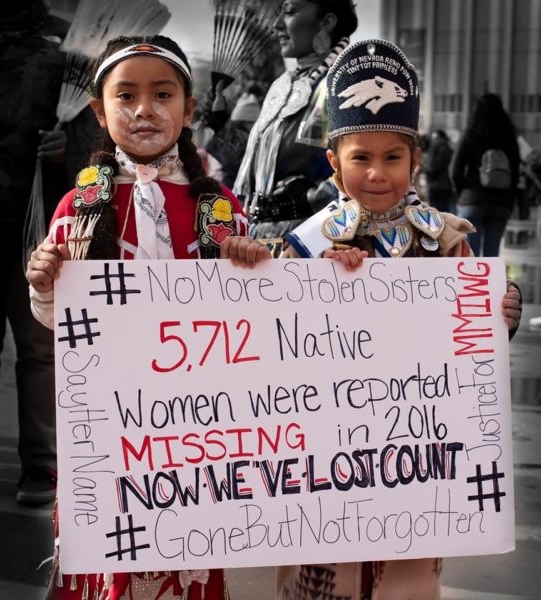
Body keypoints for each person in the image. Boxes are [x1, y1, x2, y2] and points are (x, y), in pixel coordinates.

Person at [222, 38, 522, 600]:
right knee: (318, 575)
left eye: (393, 158)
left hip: (415, 460)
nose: (378, 173)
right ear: (335, 164)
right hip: (322, 461)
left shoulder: (445, 240)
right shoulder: (307, 243)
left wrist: (498, 314)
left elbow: (470, 343)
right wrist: (298, 279)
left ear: (416, 161)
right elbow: (272, 341)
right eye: (361, 157)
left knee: (405, 581)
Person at [25, 34, 260, 600]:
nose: (144, 110)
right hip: (107, 428)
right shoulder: (78, 207)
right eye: (125, 96)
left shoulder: (221, 210)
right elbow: (61, 322)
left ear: (189, 109)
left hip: (197, 430)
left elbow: (254, 325)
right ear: (99, 112)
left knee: (188, 551)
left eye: (162, 94)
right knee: (105, 559)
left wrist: (256, 265)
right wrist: (44, 283)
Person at [0, 0, 65, 505]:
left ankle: (42, 465)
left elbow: (91, 138)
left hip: (33, 223)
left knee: (38, 348)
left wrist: (67, 145)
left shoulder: (63, 56)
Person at [232, 0, 358, 243]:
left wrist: (311, 198)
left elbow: (363, 169)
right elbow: (257, 173)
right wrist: (219, 125)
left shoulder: (343, 85)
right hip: (261, 239)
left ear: (327, 22)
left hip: (312, 241)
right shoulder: (283, 85)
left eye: (289, 12)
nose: (277, 25)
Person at [450, 92, 521, 256]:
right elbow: (516, 170)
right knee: (492, 254)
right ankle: (491, 281)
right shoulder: (509, 136)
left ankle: (472, 280)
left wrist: (461, 193)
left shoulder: (470, 134)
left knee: (471, 255)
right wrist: (511, 197)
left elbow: (455, 170)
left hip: (472, 200)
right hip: (501, 203)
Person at [424, 129, 456, 213]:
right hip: (445, 186)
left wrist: (426, 169)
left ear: (442, 138)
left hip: (439, 186)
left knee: (438, 213)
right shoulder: (448, 150)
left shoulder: (442, 151)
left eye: (436, 138)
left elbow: (434, 168)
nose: (434, 140)